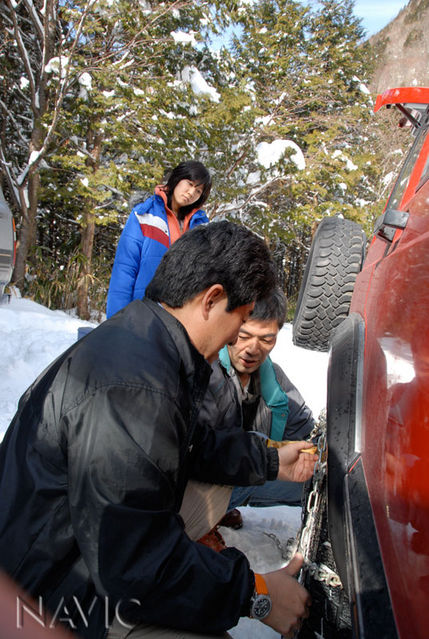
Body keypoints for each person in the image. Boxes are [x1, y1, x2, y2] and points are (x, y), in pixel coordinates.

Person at [0, 221, 316, 639]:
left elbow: (187, 443)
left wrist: (270, 459)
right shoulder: (137, 387)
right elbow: (135, 564)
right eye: (239, 320)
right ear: (212, 299)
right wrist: (256, 594)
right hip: (46, 595)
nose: (234, 341)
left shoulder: (148, 336)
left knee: (215, 491)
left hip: (77, 546)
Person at [199, 288, 315, 533]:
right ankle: (199, 528)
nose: (253, 349)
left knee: (317, 478)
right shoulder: (204, 370)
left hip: (243, 479)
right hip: (194, 488)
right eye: (244, 335)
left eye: (266, 339)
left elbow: (307, 433)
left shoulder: (275, 384)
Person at [106, 160, 211, 318]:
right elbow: (125, 270)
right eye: (189, 184)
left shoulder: (201, 228)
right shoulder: (144, 215)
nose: (191, 193)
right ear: (177, 178)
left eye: (198, 191)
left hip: (181, 320)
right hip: (143, 314)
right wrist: (116, 321)